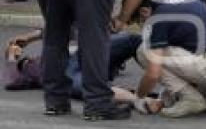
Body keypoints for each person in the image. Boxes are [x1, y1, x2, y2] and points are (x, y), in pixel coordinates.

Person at [32, 0, 147, 120]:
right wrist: (122, 19)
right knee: (94, 37)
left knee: (55, 34)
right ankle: (98, 104)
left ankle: (55, 101)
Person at [4, 29, 142, 99]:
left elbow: (60, 26)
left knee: (133, 39)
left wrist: (29, 37)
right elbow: (12, 81)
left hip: (85, 54)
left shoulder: (51, 50)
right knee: (92, 88)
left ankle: (158, 80)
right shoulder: (28, 68)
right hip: (66, 72)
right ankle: (138, 98)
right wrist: (11, 58)